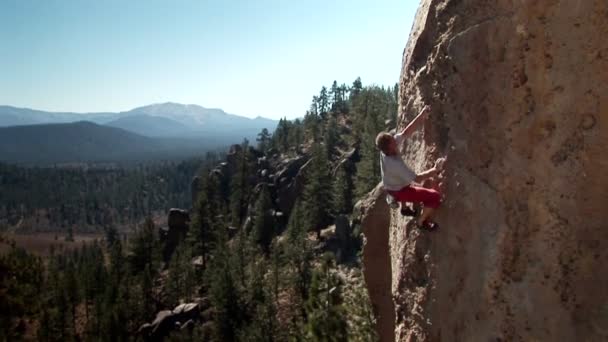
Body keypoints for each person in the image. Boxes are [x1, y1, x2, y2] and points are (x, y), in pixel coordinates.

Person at [375, 105, 443, 230]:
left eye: (394, 139)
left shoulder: (386, 148)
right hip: (400, 191)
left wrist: (421, 115)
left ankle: (405, 208)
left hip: (392, 185)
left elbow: (406, 132)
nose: (396, 141)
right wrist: (435, 170)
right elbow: (417, 178)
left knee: (401, 181)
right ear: (389, 149)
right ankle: (421, 222)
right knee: (434, 197)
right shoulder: (394, 164)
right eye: (394, 143)